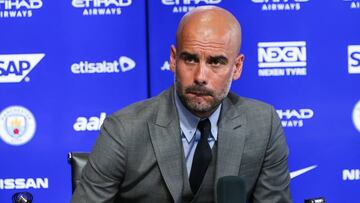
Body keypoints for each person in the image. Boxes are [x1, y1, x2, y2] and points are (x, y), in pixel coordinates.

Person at [71, 5, 292, 203]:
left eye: (216, 62)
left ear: (237, 67)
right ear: (173, 60)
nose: (200, 76)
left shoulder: (263, 125)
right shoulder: (124, 129)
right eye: (190, 59)